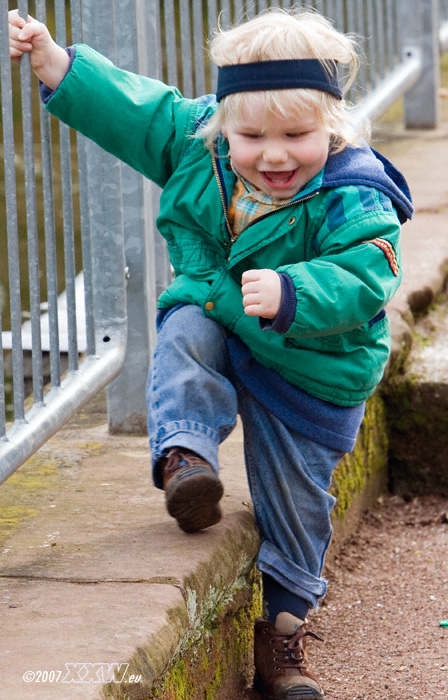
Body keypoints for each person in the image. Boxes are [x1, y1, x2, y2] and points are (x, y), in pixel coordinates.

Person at [9, 7, 413, 699]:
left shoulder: (355, 191)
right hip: (225, 321)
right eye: (252, 135)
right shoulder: (200, 144)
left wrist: (294, 290)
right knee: (185, 326)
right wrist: (53, 61)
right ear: (222, 122)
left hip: (309, 367)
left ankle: (283, 633)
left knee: (298, 504)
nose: (275, 155)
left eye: (297, 135)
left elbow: (368, 271)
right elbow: (131, 110)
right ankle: (186, 457)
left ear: (334, 126)